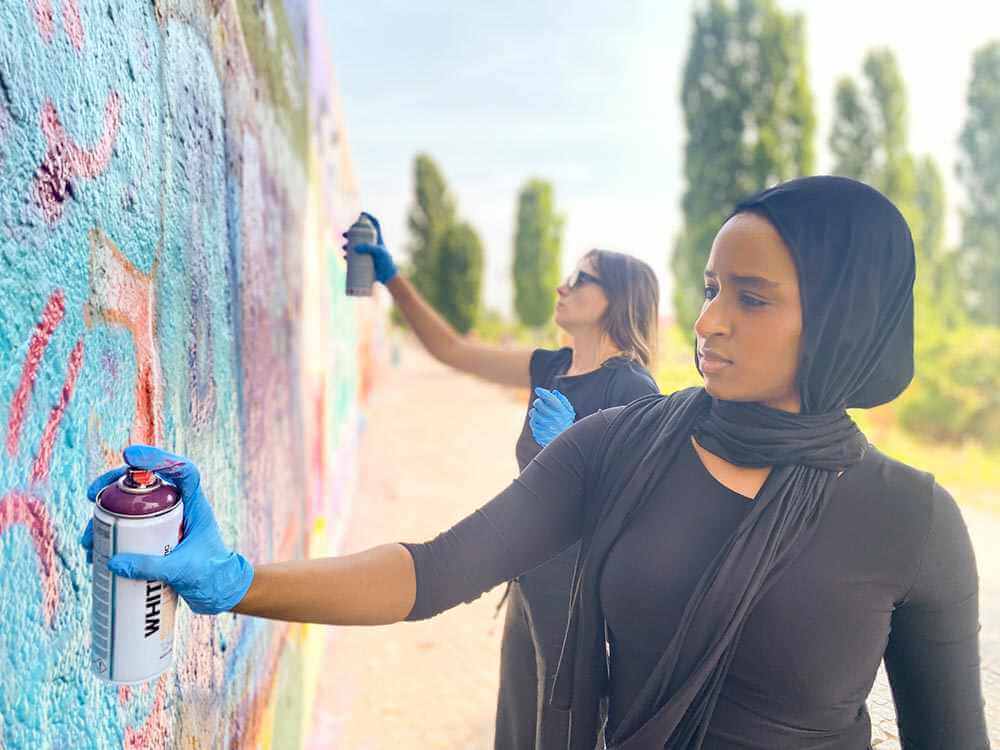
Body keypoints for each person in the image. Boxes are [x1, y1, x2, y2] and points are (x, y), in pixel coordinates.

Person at [82, 177, 988, 749]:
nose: (711, 321)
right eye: (712, 289)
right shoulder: (622, 446)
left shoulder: (915, 521)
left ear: (842, 320)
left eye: (751, 298)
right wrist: (238, 579)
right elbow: (431, 573)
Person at [345, 215, 661, 748]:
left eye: (581, 278)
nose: (563, 285)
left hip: (579, 601)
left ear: (617, 298)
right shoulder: (552, 367)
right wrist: (391, 278)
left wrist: (576, 444)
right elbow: (451, 350)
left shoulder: (632, 386)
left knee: (564, 736)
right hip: (528, 582)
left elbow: (641, 512)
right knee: (517, 731)